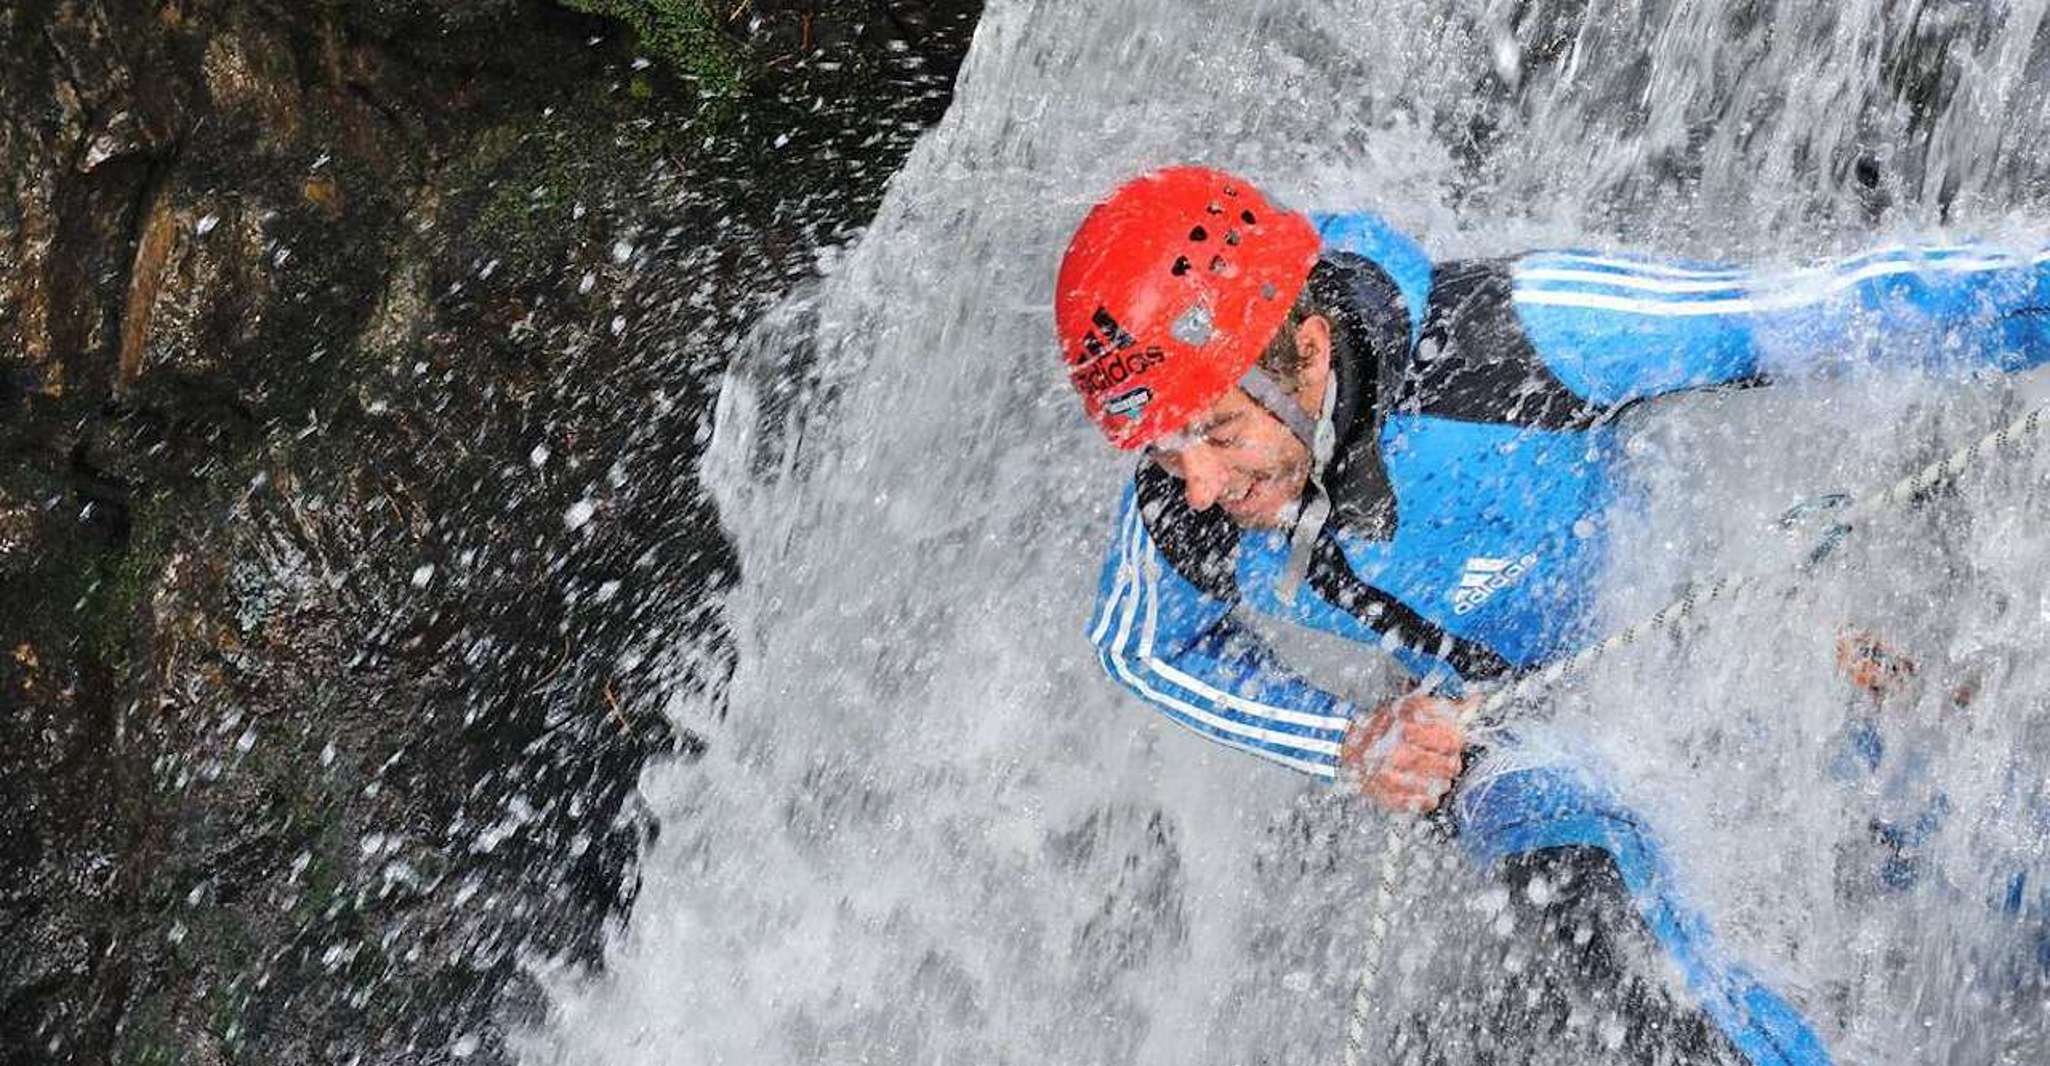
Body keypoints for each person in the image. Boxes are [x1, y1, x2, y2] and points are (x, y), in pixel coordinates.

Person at [1056, 165, 2050, 1065]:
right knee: (1580, 883)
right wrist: (1348, 741)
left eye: (1217, 433)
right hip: (1518, 732)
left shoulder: (1518, 335)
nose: (1196, 484)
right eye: (1163, 450)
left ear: (1307, 353)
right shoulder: (1186, 499)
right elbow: (1142, 643)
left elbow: (1805, 307)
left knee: (1999, 878)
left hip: (1737, 650)